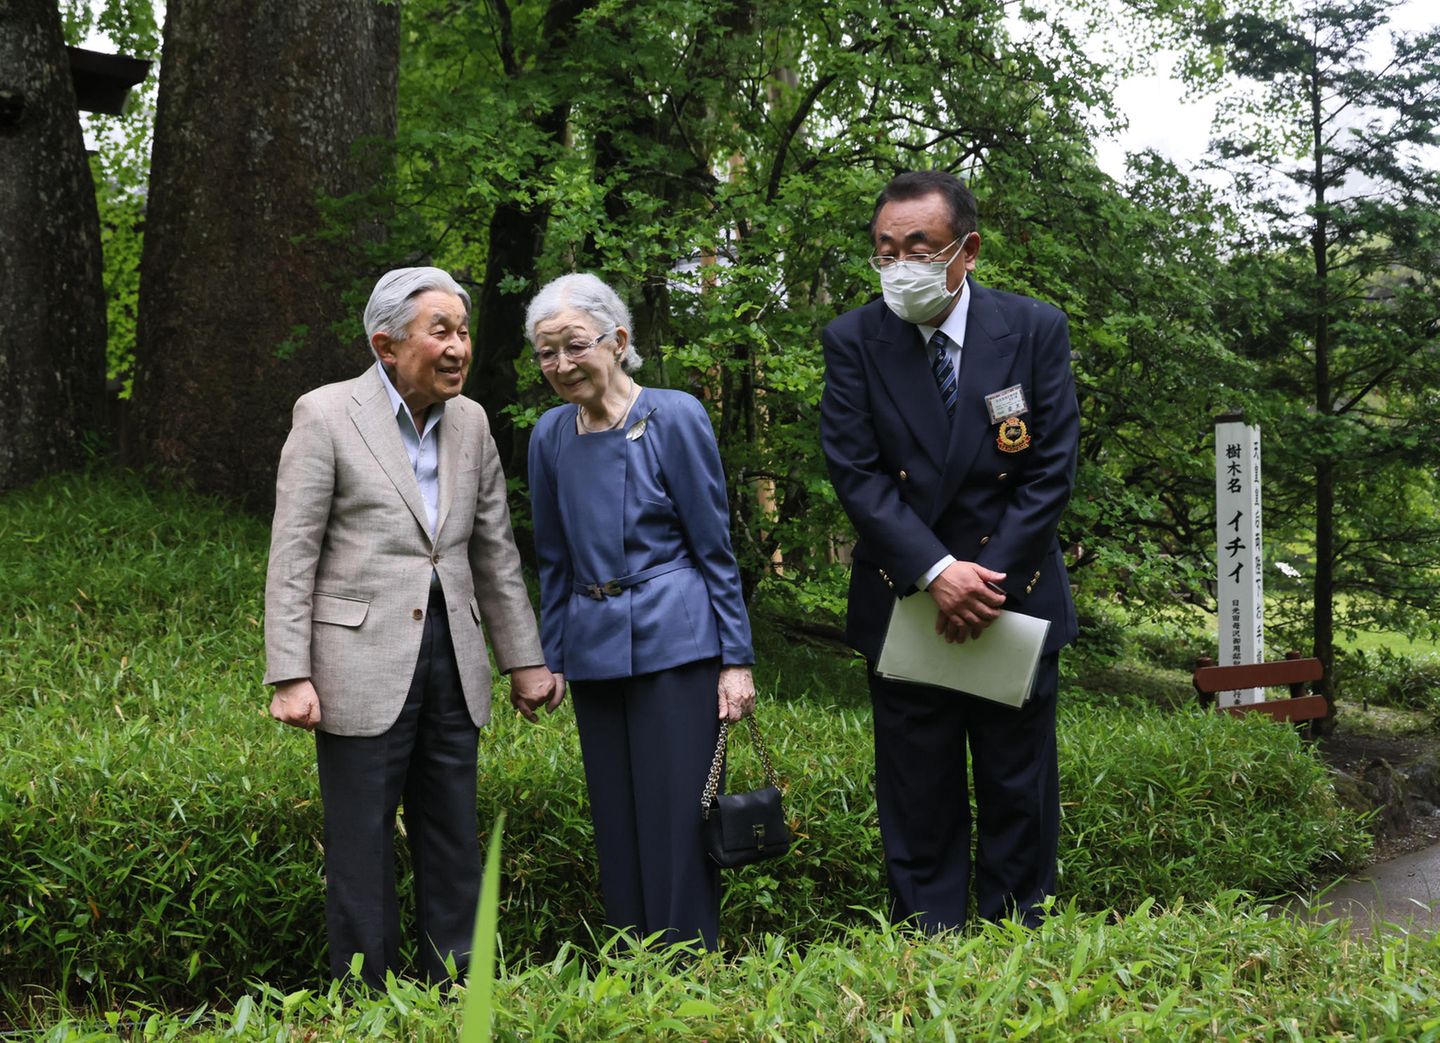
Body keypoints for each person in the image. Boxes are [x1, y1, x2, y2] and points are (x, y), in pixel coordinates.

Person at [263, 266, 558, 986]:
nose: (459, 346)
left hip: (453, 657)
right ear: (387, 344)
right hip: (357, 663)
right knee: (361, 844)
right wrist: (290, 672)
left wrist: (524, 659)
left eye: (462, 330)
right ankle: (364, 999)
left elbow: (495, 551)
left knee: (453, 835)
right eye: (442, 332)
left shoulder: (474, 421)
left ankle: (455, 991)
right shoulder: (326, 414)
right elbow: (293, 552)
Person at [819, 170, 1079, 932]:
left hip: (1011, 596)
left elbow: (1051, 466)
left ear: (965, 250)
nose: (900, 265)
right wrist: (937, 572)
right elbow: (857, 475)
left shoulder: (1032, 329)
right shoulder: (853, 340)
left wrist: (982, 578)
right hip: (908, 601)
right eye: (885, 249)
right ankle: (927, 949)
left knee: (1017, 788)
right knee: (916, 793)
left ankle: (1017, 941)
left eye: (918, 248)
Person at [523, 272, 756, 952]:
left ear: (617, 340)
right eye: (546, 352)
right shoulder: (547, 436)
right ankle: (630, 968)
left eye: (574, 345)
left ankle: (687, 962)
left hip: (677, 643)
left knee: (678, 817)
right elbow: (554, 558)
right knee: (616, 817)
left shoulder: (675, 415)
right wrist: (552, 656)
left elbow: (715, 547)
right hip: (595, 648)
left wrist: (736, 659)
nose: (561, 365)